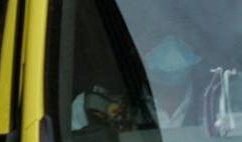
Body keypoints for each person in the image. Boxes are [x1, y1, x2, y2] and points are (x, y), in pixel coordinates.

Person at [72, 35, 202, 131]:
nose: (169, 43)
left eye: (177, 32)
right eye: (157, 34)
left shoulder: (216, 105)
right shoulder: (94, 105)